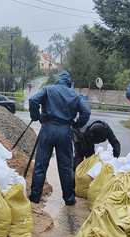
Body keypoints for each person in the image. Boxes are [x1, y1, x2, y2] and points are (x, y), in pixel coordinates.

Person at [29, 71, 91, 205]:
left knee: (40, 164)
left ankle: (35, 197)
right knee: (65, 167)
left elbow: (33, 100)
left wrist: (36, 116)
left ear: (58, 81)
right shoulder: (75, 95)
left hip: (47, 129)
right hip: (65, 131)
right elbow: (86, 111)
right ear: (69, 83)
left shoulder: (48, 89)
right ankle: (69, 198)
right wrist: (77, 124)